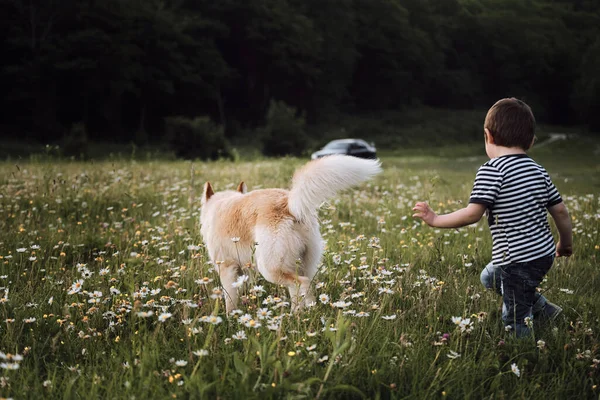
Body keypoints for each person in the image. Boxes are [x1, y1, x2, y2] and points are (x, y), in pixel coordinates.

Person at [412, 98, 573, 337]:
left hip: (515, 260)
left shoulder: (492, 169)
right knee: (490, 277)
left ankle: (525, 356)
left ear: (488, 136)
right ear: (530, 141)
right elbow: (560, 210)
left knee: (515, 315)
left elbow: (472, 214)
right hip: (543, 253)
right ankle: (544, 310)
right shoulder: (538, 170)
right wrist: (565, 243)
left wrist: (436, 219)